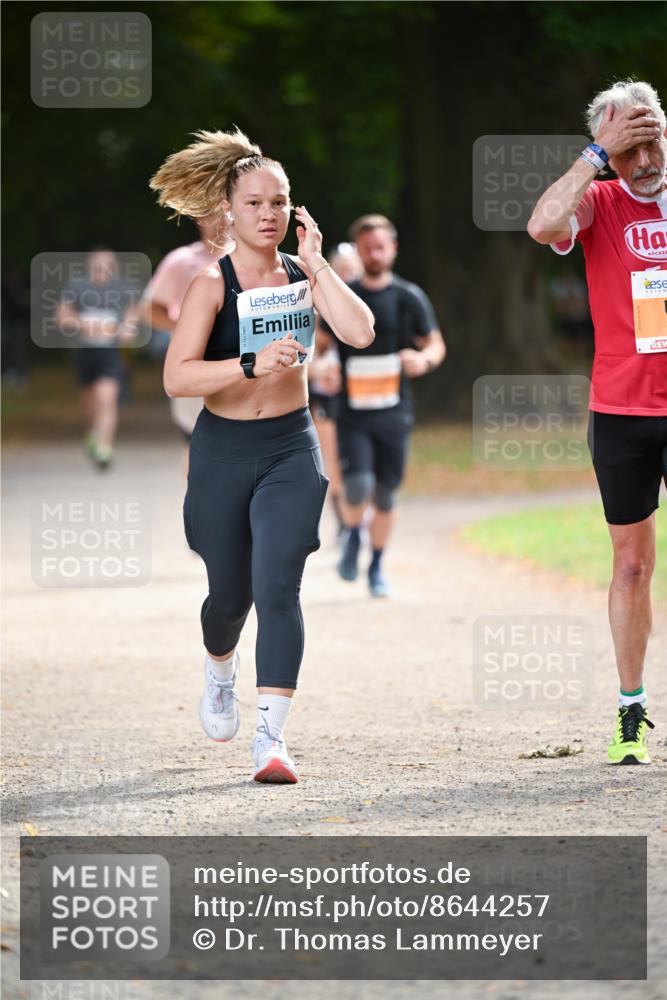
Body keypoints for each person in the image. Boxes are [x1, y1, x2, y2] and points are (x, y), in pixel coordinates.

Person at [149, 127, 374, 784]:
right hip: (222, 449)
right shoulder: (209, 285)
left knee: (279, 585)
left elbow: (360, 331)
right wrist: (247, 364)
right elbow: (176, 378)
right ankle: (220, 670)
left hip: (288, 448)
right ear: (229, 211)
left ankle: (270, 739)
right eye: (255, 203)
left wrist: (320, 262)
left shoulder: (304, 273)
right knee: (230, 595)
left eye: (279, 202)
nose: (269, 214)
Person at [527, 78, 667, 765]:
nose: (642, 161)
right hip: (621, 411)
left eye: (651, 141)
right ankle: (629, 711)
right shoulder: (599, 200)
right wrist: (592, 154)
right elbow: (542, 225)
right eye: (627, 148)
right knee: (633, 565)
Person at [319, 215, 446, 597]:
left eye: (381, 246)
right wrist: (322, 370)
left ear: (393, 249)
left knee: (387, 494)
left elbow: (435, 344)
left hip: (394, 412)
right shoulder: (344, 296)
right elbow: (320, 347)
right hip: (352, 414)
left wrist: (423, 361)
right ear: (357, 251)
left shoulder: (409, 297)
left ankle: (375, 566)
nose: (374, 253)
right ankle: (353, 535)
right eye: (367, 247)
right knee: (357, 487)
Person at [142, 215, 231, 471]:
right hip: (195, 367)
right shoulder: (182, 261)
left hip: (240, 366)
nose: (221, 218)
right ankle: (201, 507)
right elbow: (150, 309)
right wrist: (187, 330)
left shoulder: (250, 259)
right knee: (198, 446)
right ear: (200, 218)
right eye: (211, 212)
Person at [55, 248, 141, 469]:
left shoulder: (122, 288)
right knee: (90, 404)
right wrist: (83, 323)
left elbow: (133, 312)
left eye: (107, 266)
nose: (102, 270)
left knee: (108, 398)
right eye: (97, 265)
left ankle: (105, 447)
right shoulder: (78, 286)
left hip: (110, 352)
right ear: (90, 266)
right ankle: (93, 433)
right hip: (85, 352)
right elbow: (63, 315)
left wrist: (128, 328)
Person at [309, 243, 363, 534]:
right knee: (332, 462)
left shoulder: (368, 307)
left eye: (352, 269)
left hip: (362, 398)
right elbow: (309, 357)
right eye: (341, 269)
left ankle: (356, 519)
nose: (347, 275)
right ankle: (345, 526)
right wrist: (319, 368)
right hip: (326, 397)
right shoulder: (318, 306)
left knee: (361, 460)